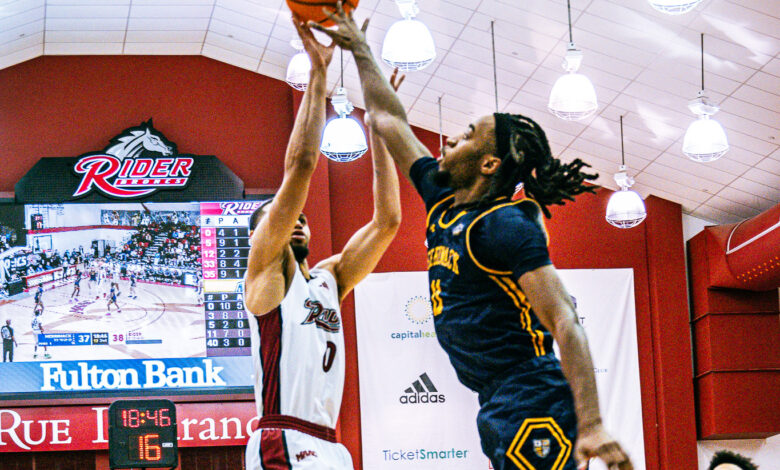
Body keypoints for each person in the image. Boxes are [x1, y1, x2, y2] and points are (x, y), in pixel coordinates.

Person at [309, 4, 633, 470]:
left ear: (489, 164)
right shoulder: (442, 198)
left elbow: (564, 320)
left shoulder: (505, 225)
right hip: (496, 398)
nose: (448, 142)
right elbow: (386, 119)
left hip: (532, 394)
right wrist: (359, 48)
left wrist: (593, 422)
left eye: (466, 136)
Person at [242, 19, 401, 470]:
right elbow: (303, 164)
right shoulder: (267, 277)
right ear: (263, 235)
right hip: (284, 437)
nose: (298, 222)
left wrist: (381, 127)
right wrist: (318, 74)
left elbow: (388, 220)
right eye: (285, 217)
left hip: (329, 442)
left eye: (303, 219)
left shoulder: (330, 279)